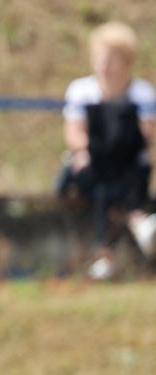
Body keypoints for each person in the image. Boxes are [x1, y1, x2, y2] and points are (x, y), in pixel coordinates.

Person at [59, 22, 156, 280]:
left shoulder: (141, 93)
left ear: (126, 61)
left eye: (111, 59)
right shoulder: (81, 90)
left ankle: (104, 256)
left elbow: (146, 136)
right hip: (94, 166)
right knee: (103, 179)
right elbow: (73, 134)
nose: (104, 64)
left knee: (117, 179)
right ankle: (137, 222)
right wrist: (91, 150)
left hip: (125, 166)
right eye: (99, 58)